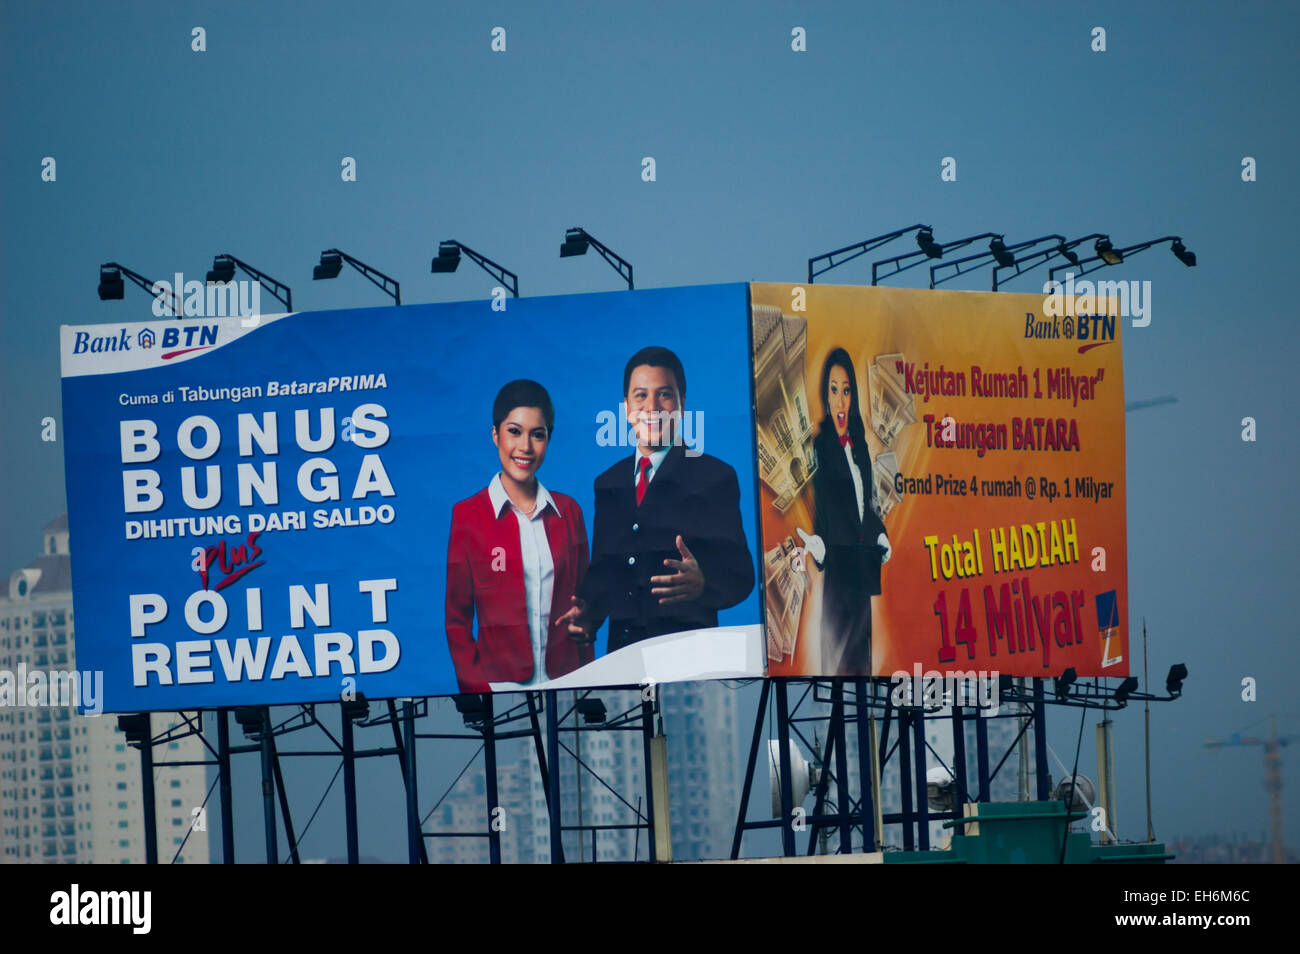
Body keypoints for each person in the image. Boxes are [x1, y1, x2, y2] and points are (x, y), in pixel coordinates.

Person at [559, 346, 755, 653]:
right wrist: (589, 615)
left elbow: (742, 575)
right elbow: (605, 572)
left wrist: (703, 583)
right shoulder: (607, 483)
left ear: (682, 404)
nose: (652, 407)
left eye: (664, 394)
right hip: (623, 658)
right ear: (625, 407)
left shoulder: (714, 477)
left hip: (691, 659)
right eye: (640, 395)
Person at [444, 380, 592, 693]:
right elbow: (457, 620)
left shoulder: (569, 512)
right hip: (499, 689)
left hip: (567, 684)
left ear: (548, 440)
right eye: (514, 431)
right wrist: (477, 692)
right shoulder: (468, 515)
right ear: (495, 434)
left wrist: (588, 686)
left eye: (537, 435)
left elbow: (584, 609)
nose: (525, 447)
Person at [796, 348, 891, 676]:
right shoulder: (820, 447)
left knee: (863, 669)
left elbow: (869, 506)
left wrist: (880, 534)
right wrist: (819, 547)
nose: (840, 400)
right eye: (833, 390)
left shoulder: (860, 447)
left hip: (863, 571)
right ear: (825, 395)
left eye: (846, 390)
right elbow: (823, 509)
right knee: (838, 666)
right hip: (839, 573)